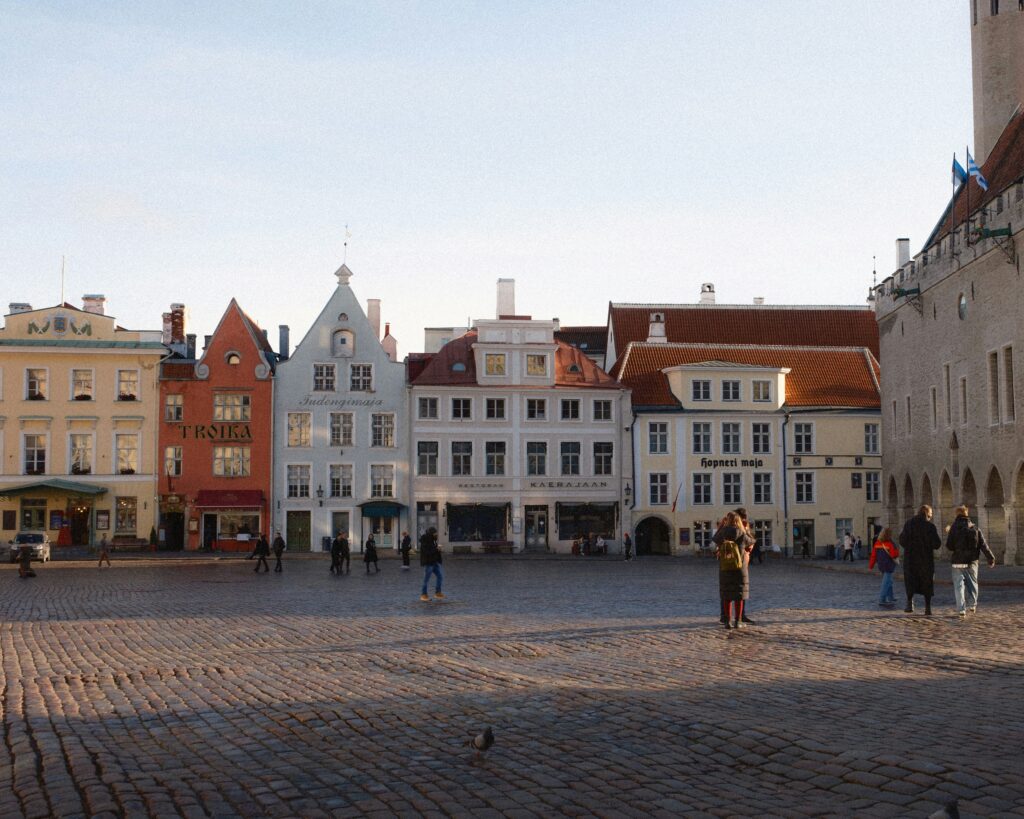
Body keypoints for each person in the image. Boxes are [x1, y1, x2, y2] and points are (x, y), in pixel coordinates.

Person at [945, 505, 996, 618]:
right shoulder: (975, 528)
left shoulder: (953, 529)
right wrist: (990, 558)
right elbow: (983, 545)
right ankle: (972, 604)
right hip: (972, 561)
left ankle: (961, 609)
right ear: (967, 514)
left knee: (958, 586)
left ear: (957, 514)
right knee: (972, 583)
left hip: (957, 561)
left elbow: (949, 546)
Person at [898, 505, 941, 614]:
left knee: (910, 581)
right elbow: (937, 544)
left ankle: (909, 604)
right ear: (927, 514)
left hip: (911, 559)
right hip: (925, 560)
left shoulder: (909, 524)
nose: (931, 516)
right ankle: (927, 607)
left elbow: (902, 540)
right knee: (927, 582)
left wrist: (910, 546)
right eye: (931, 514)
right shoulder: (930, 527)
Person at [713, 511, 754, 629]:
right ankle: (738, 621)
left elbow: (714, 539)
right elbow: (751, 541)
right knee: (739, 596)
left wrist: (721, 526)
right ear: (738, 521)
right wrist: (745, 529)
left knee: (726, 596)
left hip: (725, 568)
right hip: (739, 568)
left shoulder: (722, 533)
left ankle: (727, 622)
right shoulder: (741, 533)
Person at [868, 527, 899, 608]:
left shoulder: (877, 543)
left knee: (889, 581)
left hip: (881, 565)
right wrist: (897, 552)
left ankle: (891, 597)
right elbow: (893, 554)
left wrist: (871, 566)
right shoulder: (890, 543)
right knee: (886, 583)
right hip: (889, 565)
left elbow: (873, 556)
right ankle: (882, 599)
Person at [419, 527, 444, 601]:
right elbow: (427, 552)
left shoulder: (433, 540)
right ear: (431, 534)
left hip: (435, 562)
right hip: (429, 563)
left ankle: (438, 593)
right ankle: (423, 595)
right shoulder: (425, 541)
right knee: (426, 580)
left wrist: (438, 550)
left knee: (440, 577)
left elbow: (434, 551)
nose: (436, 534)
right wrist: (436, 549)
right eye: (435, 533)